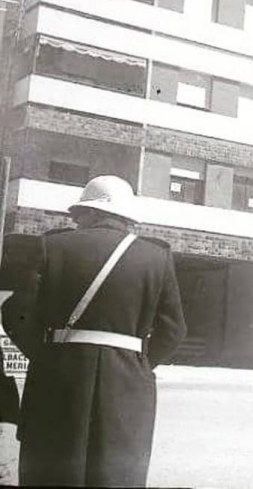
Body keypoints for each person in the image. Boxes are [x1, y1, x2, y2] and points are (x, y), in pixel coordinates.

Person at [2, 175, 187, 487]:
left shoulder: (52, 245)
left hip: (57, 379)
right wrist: (136, 364)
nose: (75, 222)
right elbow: (174, 330)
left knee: (51, 472)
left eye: (77, 216)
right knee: (115, 475)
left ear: (89, 213)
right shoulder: (156, 256)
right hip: (127, 386)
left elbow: (15, 313)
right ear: (127, 217)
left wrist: (49, 354)